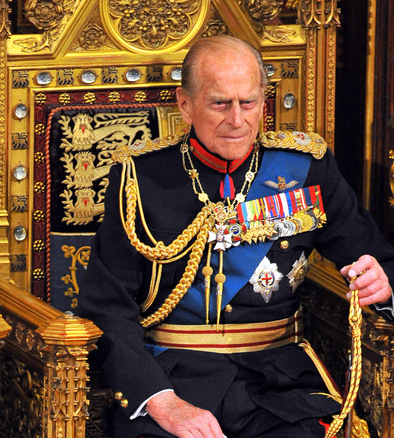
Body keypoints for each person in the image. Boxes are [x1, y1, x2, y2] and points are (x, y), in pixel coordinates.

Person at [77, 35, 394, 438]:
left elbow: (377, 259)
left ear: (264, 102)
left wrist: (380, 283)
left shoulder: (307, 168)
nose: (237, 119)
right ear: (185, 104)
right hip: (174, 377)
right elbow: (106, 307)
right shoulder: (140, 179)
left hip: (280, 385)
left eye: (248, 103)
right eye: (219, 103)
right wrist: (162, 401)